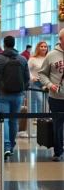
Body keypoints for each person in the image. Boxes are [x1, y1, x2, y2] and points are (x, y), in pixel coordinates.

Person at [0, 36, 29, 160]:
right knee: (13, 120)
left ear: (4, 44)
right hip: (18, 94)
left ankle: (6, 146)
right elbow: (27, 77)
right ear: (14, 43)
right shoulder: (22, 59)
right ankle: (11, 146)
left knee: (4, 120)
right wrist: (22, 89)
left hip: (3, 94)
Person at [38, 30, 64, 162]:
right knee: (57, 125)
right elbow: (42, 73)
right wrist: (49, 85)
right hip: (57, 98)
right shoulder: (51, 55)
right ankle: (58, 151)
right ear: (60, 39)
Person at [28, 41, 48, 124]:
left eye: (45, 46)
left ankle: (43, 117)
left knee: (46, 100)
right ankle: (38, 118)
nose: (43, 48)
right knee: (38, 100)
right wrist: (32, 78)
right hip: (35, 82)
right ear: (38, 48)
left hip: (46, 82)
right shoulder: (33, 59)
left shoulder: (48, 58)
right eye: (41, 46)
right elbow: (27, 70)